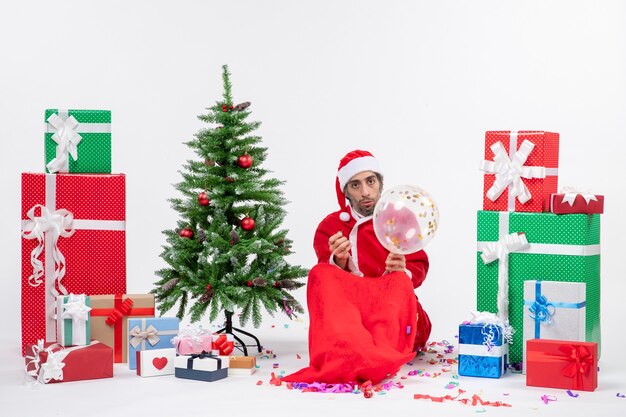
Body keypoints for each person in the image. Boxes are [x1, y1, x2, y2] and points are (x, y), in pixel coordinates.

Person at [283, 149, 431, 385]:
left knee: (400, 280)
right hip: (351, 313)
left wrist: (403, 269)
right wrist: (338, 261)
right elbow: (327, 289)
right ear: (345, 192)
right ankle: (352, 347)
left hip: (389, 307)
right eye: (355, 185)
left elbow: (419, 264)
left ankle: (375, 353)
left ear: (380, 184)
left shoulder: (400, 219)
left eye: (370, 182)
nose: (365, 192)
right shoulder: (330, 226)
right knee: (320, 272)